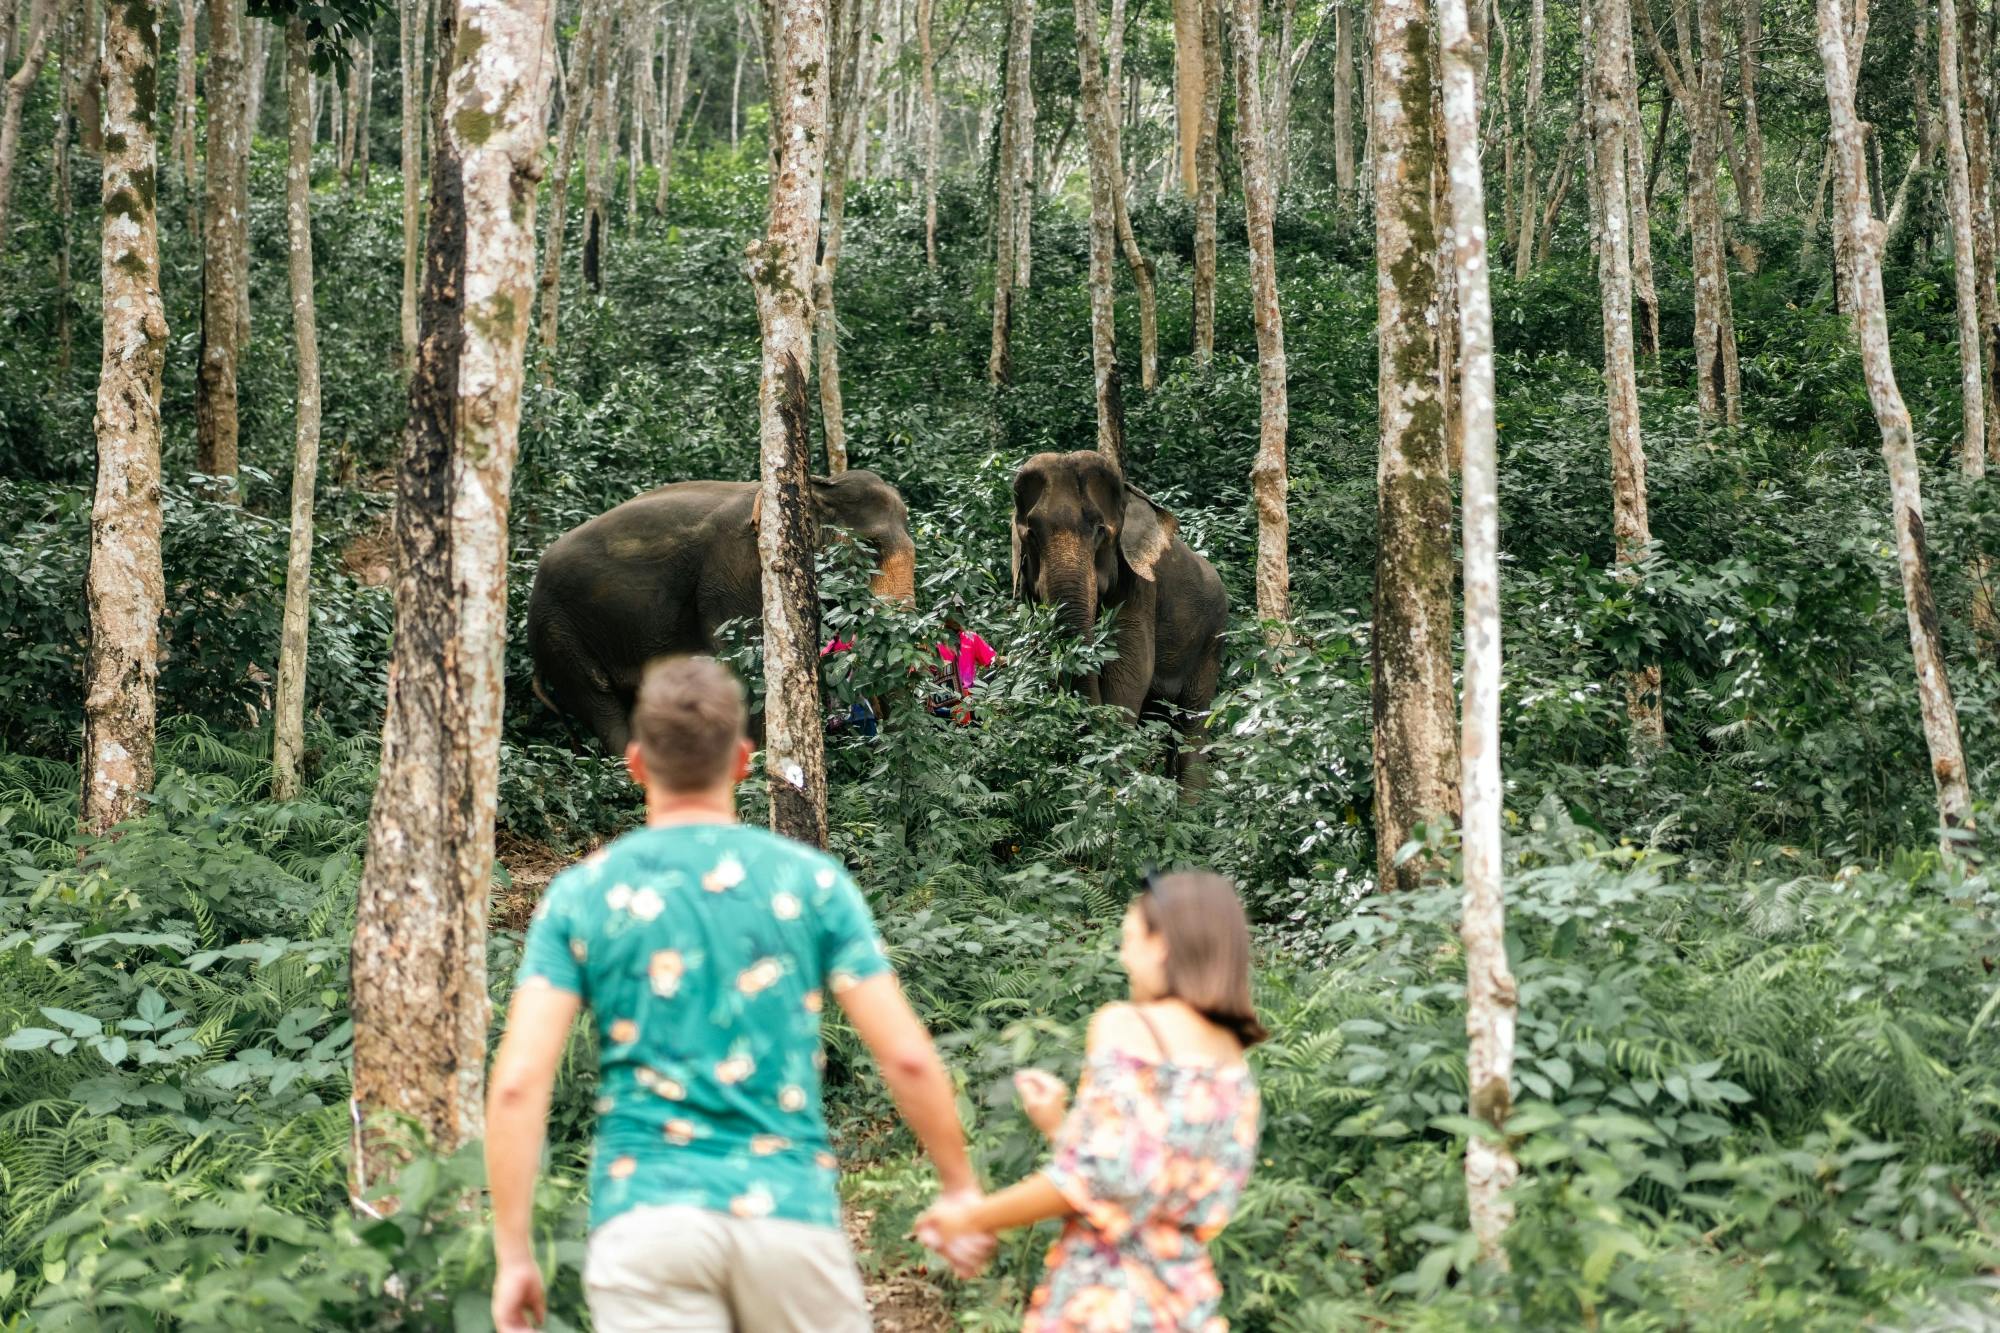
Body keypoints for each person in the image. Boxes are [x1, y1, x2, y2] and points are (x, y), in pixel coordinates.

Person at [485, 655, 989, 1333]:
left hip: (646, 1224)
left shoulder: (583, 894)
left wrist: (514, 1254)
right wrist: (959, 1186)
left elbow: (518, 1083)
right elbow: (906, 1057)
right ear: (744, 761)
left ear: (636, 763)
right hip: (788, 1218)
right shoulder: (810, 882)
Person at [917, 872, 1266, 1332]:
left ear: (1162, 946)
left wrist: (969, 1218)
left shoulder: (1128, 1025)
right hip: (1185, 1306)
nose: (1123, 957)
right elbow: (1141, 1177)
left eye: (1129, 940)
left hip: (1104, 1303)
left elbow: (1087, 1183)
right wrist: (1059, 1127)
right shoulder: (1234, 1062)